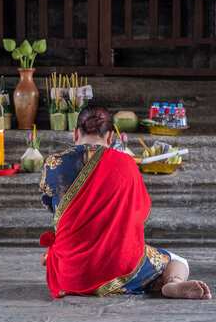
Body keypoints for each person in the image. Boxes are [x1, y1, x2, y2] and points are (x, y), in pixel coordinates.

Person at [39, 105, 211, 300]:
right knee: (178, 261)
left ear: (76, 133)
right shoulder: (126, 163)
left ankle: (155, 282)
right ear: (110, 137)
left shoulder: (54, 163)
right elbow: (141, 214)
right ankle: (173, 282)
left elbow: (50, 205)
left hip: (70, 275)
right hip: (119, 268)